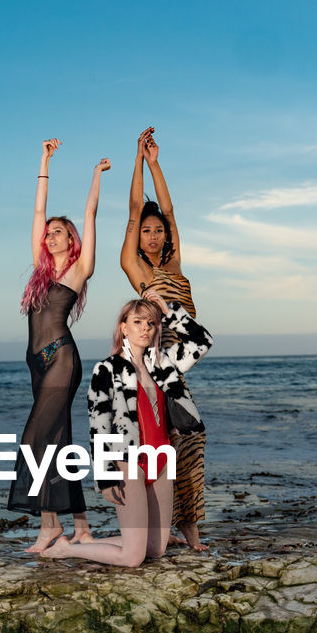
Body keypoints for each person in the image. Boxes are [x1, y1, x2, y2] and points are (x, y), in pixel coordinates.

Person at [43, 292, 211, 568]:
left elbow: (202, 341)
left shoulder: (162, 365)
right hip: (129, 464)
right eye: (137, 322)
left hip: (162, 460)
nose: (145, 328)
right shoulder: (106, 370)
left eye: (151, 323)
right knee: (133, 559)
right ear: (123, 327)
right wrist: (106, 477)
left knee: (155, 551)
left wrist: (168, 310)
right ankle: (66, 550)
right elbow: (99, 427)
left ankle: (85, 542)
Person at [9, 140, 111, 553]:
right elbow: (36, 212)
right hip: (36, 362)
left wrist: (95, 177)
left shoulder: (80, 270)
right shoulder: (41, 268)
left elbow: (89, 214)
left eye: (58, 232)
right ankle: (82, 526)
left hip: (61, 359)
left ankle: (49, 527)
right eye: (48, 233)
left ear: (72, 238)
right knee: (56, 443)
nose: (50, 237)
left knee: (35, 439)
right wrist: (44, 163)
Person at [119, 128, 208, 550]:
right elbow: (136, 209)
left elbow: (168, 211)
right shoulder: (136, 267)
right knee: (162, 441)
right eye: (147, 231)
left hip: (178, 363)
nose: (153, 235)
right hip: (155, 364)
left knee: (189, 438)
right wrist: (137, 159)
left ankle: (185, 526)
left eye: (158, 231)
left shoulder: (173, 264)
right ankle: (165, 527)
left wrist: (157, 164)